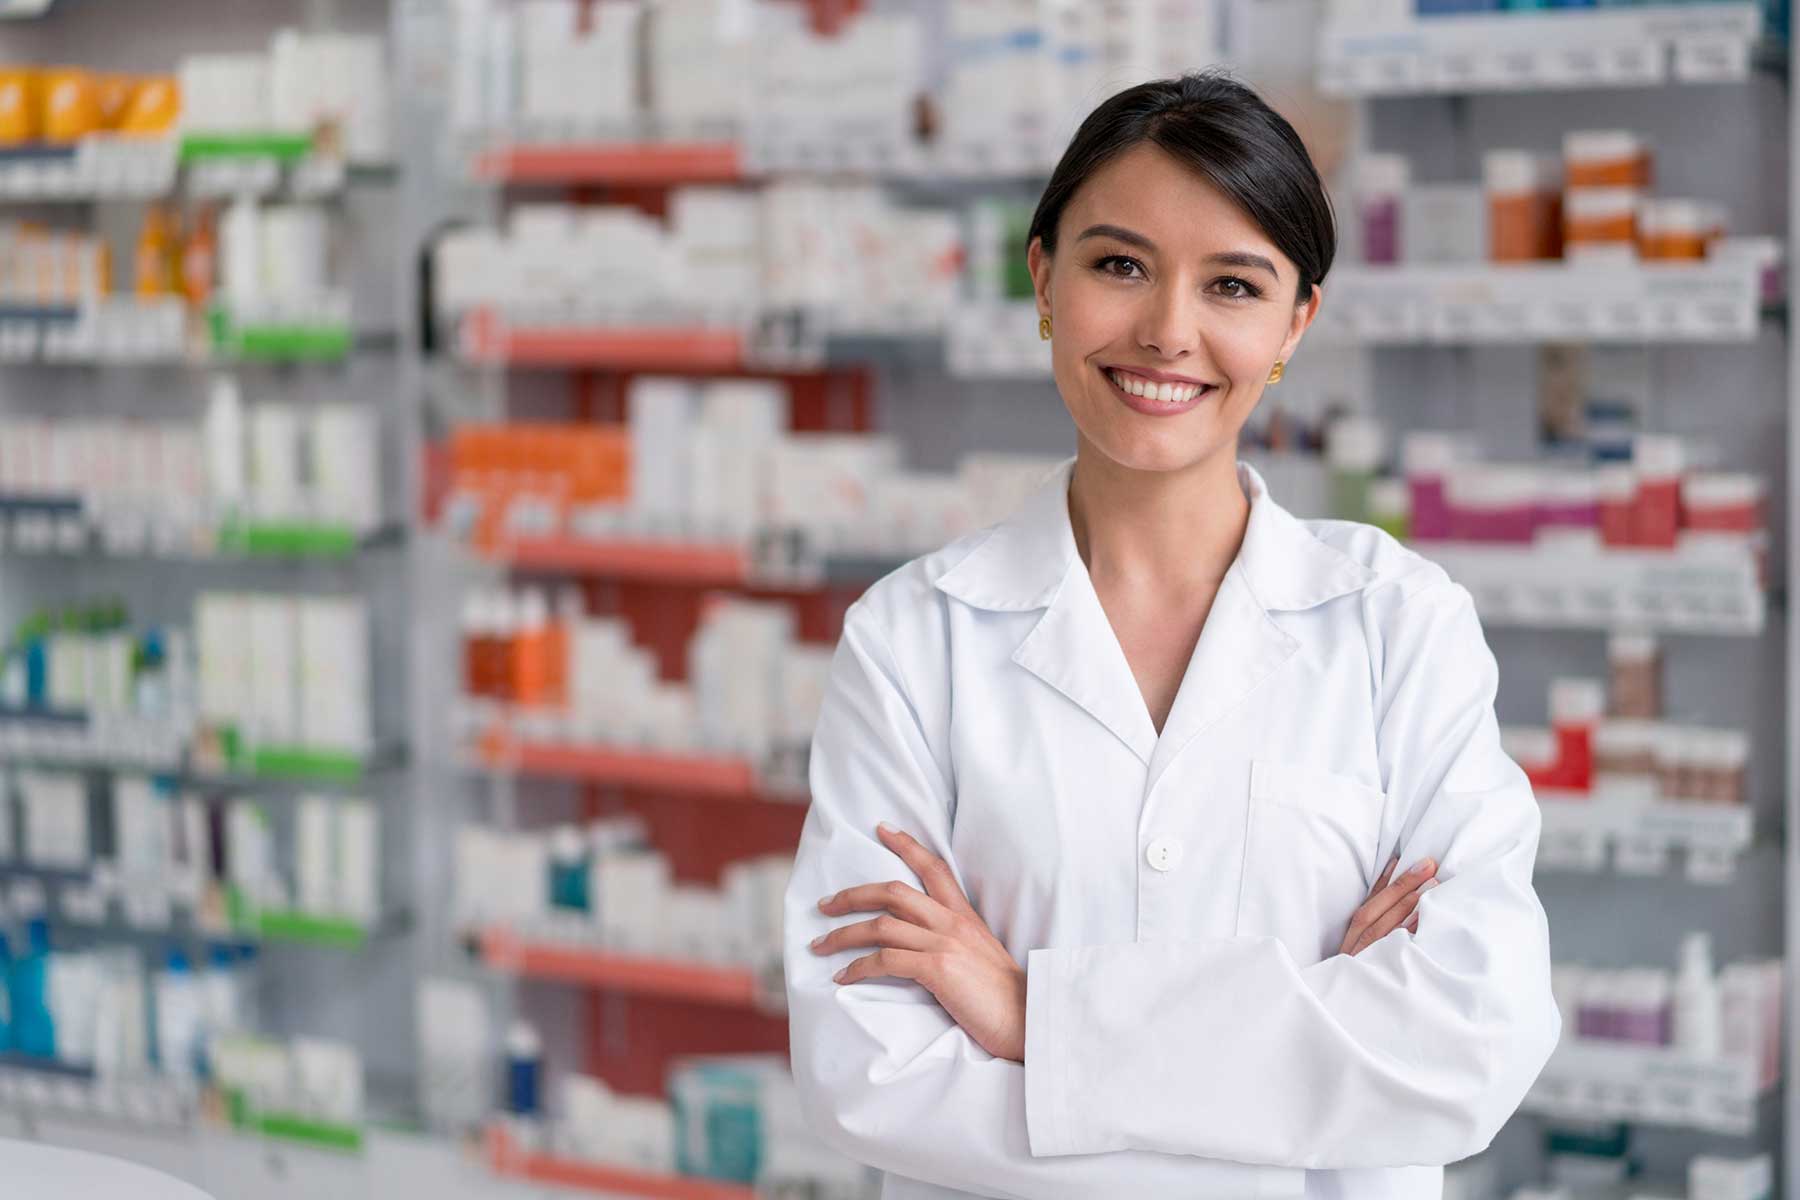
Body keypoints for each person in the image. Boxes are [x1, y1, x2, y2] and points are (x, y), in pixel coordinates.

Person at [784, 71, 1560, 1200]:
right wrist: (1304, 1043)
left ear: (1296, 322)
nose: (1167, 331)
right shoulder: (914, 642)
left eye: (1234, 284)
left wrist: (1030, 1017)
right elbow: (872, 1078)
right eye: (1119, 264)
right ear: (1043, 278)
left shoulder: (1399, 627)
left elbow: (1469, 1047)